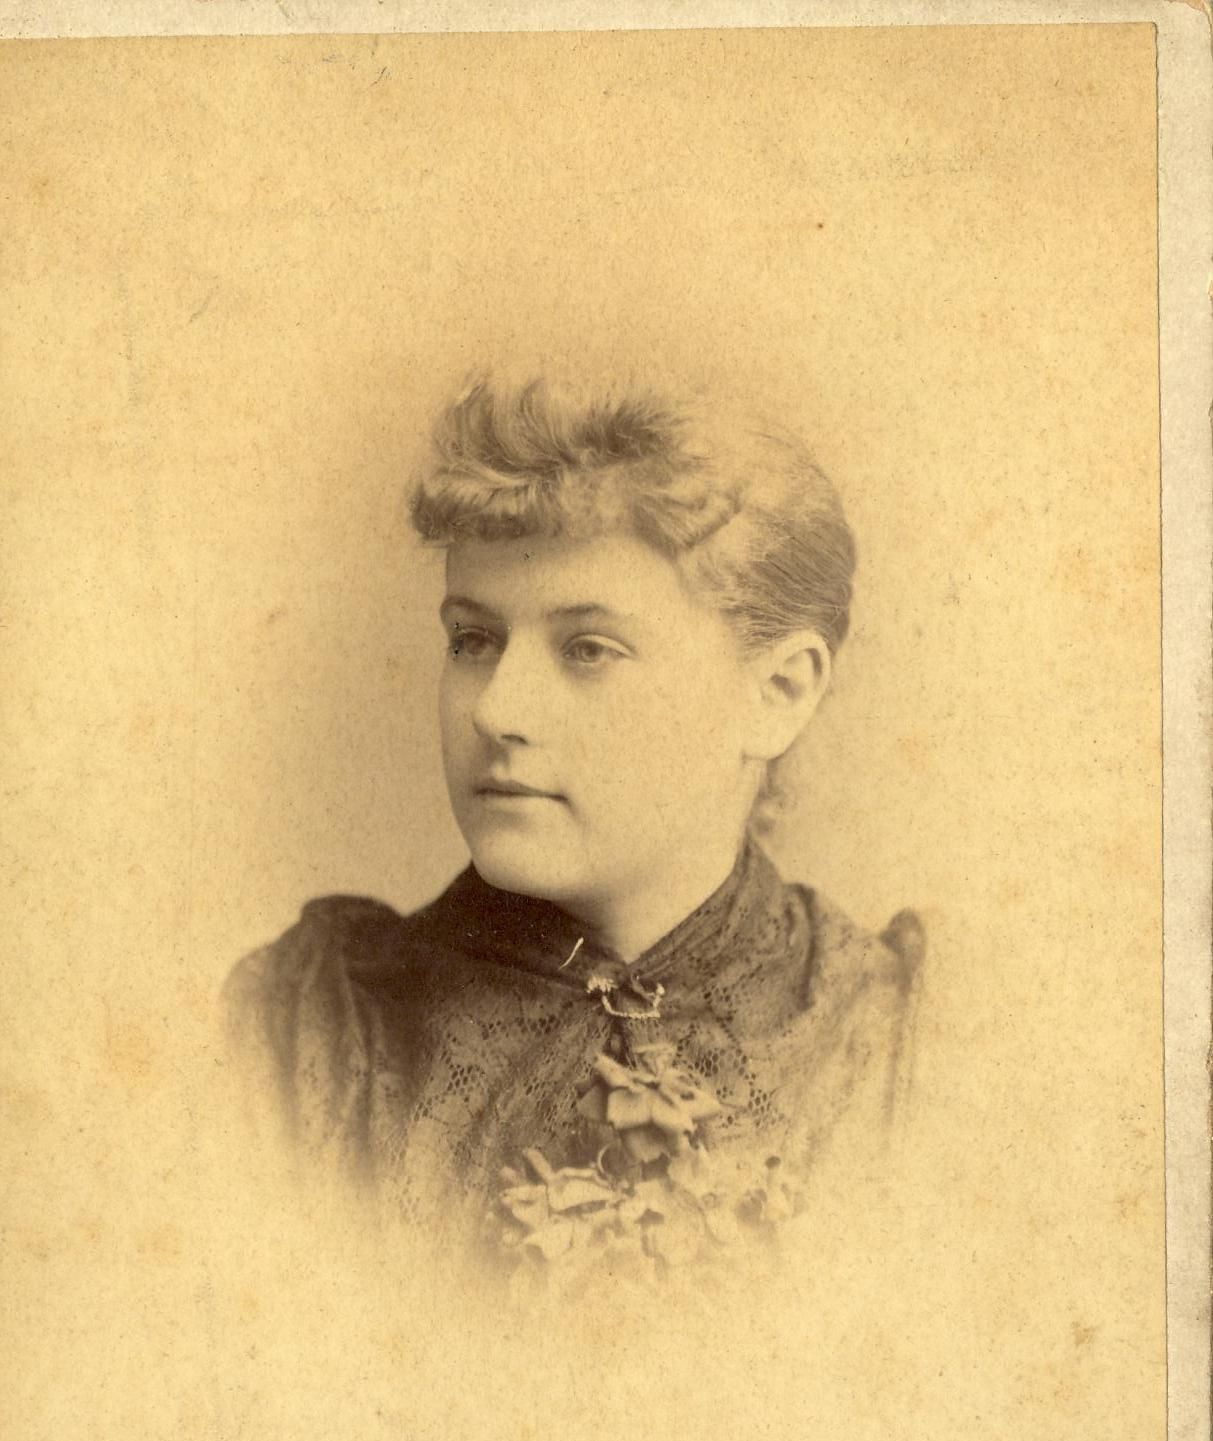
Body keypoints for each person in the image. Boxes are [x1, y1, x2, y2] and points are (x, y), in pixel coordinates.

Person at [224, 373, 923, 1280]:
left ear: (778, 693)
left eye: (587, 649)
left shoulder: (897, 1044)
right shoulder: (311, 1038)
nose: (496, 710)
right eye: (473, 641)